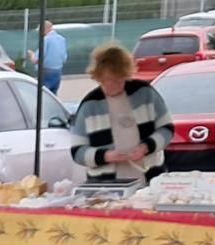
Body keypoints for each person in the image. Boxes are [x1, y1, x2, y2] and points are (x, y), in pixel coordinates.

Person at [69, 43, 174, 182]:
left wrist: (146, 147)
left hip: (150, 177)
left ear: (126, 75)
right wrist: (106, 156)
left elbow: (167, 128)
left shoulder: (145, 93)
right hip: (107, 185)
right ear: (98, 77)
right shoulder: (89, 105)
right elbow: (77, 151)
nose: (113, 85)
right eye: (108, 80)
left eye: (118, 80)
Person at [32, 20, 68, 94]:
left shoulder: (45, 40)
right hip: (58, 71)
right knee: (53, 95)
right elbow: (64, 58)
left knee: (44, 94)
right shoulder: (61, 39)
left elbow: (38, 59)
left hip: (46, 71)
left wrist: (32, 55)